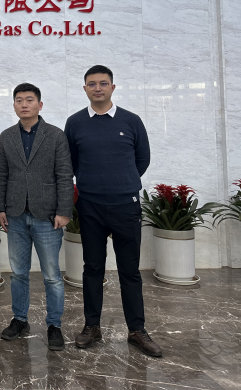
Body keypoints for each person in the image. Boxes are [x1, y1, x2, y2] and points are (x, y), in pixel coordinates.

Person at [64, 65, 162, 358]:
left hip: (125, 206)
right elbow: (71, 162)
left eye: (103, 83)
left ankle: (137, 330)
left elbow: (142, 159)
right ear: (85, 88)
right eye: (92, 84)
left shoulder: (131, 121)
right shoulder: (75, 123)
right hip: (90, 207)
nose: (98, 88)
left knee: (129, 271)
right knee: (92, 268)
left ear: (112, 87)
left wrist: (122, 182)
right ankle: (91, 326)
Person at [0, 82, 73, 351]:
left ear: (40, 105)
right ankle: (20, 319)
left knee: (51, 275)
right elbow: (0, 175)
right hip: (15, 215)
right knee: (18, 273)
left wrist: (64, 211)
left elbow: (65, 175)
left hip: (47, 216)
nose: (24, 104)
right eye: (19, 100)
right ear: (14, 105)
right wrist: (0, 208)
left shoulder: (56, 135)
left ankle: (54, 325)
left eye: (29, 100)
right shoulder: (6, 137)